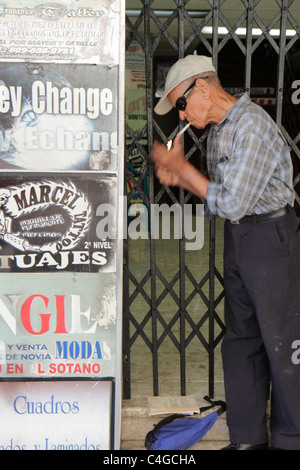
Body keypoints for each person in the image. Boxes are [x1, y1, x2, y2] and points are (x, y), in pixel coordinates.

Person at [151, 54, 300, 450]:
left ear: (202, 87)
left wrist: (184, 172)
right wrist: (181, 175)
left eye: (180, 104)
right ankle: (247, 438)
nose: (181, 116)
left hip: (271, 238)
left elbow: (233, 201)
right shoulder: (219, 130)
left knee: (282, 344)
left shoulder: (251, 126)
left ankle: (290, 439)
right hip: (240, 240)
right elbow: (222, 200)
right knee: (242, 340)